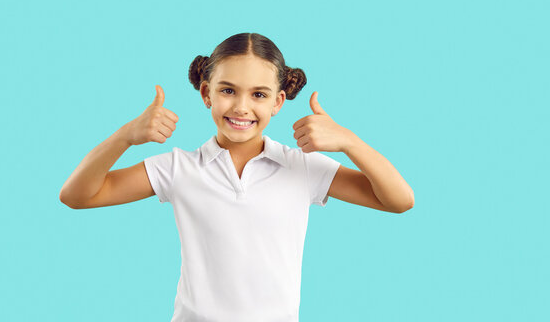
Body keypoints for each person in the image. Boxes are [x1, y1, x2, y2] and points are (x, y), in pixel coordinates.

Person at [59, 32, 414, 321]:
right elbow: (77, 195)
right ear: (206, 93)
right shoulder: (178, 168)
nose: (242, 107)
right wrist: (125, 136)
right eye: (228, 90)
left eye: (258, 95)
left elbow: (399, 200)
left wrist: (348, 141)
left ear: (278, 102)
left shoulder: (302, 168)